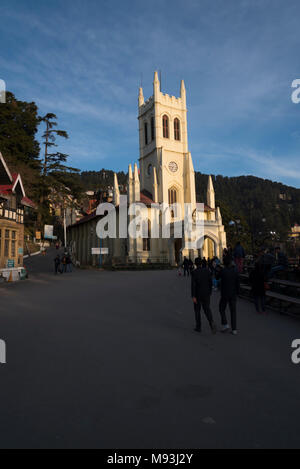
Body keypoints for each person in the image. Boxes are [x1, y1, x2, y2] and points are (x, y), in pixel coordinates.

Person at [191, 258, 217, 334]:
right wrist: (209, 292)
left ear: (195, 264)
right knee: (207, 309)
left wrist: (193, 296)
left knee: (197, 311)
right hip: (206, 294)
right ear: (202, 263)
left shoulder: (194, 272)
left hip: (198, 295)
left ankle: (198, 327)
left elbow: (193, 285)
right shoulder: (207, 271)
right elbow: (210, 282)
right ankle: (211, 322)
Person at [216, 256, 240, 335]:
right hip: (233, 293)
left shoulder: (223, 271)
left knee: (221, 308)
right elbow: (237, 283)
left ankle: (225, 324)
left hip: (225, 293)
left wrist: (217, 269)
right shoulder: (235, 271)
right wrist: (237, 293)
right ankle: (234, 329)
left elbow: (217, 277)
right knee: (233, 311)